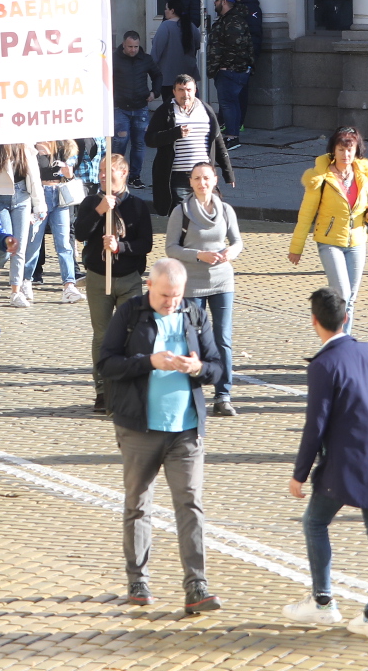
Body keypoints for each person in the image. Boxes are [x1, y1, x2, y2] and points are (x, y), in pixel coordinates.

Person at [97, 257, 224, 615]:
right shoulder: (130, 314)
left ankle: (197, 586)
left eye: (178, 296)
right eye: (166, 295)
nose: (172, 303)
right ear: (150, 286)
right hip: (139, 428)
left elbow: (219, 367)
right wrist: (148, 362)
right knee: (138, 504)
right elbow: (105, 364)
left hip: (185, 430)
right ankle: (138, 579)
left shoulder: (194, 315)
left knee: (191, 505)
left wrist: (199, 368)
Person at [283, 287, 368, 640]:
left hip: (344, 464)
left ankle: (322, 603)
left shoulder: (323, 365)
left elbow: (315, 425)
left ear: (314, 321)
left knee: (315, 522)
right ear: (346, 317)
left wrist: (299, 474)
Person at [163, 162, 245, 416]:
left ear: (215, 180)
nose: (202, 183)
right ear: (190, 182)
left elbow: (238, 241)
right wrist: (199, 255)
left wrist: (232, 251)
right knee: (193, 340)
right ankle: (191, 394)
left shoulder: (226, 210)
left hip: (222, 281)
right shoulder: (182, 212)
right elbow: (171, 248)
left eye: (206, 178)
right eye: (197, 178)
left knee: (223, 339)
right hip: (192, 285)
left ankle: (223, 395)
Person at [76, 153, 153, 414]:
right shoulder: (91, 202)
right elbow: (80, 233)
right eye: (100, 172)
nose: (102, 176)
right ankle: (102, 391)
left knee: (131, 335)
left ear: (123, 173)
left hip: (129, 279)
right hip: (99, 279)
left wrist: (120, 246)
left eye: (109, 172)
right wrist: (99, 212)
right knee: (102, 335)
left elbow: (146, 244)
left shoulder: (138, 206)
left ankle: (127, 389)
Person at [289, 126, 368, 315]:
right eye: (341, 150)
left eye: (349, 150)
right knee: (342, 294)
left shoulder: (362, 175)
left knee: (351, 298)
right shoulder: (320, 178)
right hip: (330, 242)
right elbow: (306, 214)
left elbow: (367, 208)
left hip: (357, 242)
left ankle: (342, 342)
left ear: (356, 150)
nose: (345, 155)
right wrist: (296, 248)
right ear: (333, 150)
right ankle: (334, 337)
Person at [143, 74, 234, 215]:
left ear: (195, 90)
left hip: (204, 175)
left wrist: (228, 173)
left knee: (212, 213)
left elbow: (218, 141)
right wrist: (175, 133)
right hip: (178, 176)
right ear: (174, 91)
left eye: (189, 90)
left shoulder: (206, 110)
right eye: (181, 90)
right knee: (183, 216)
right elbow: (150, 139)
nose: (185, 94)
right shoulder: (165, 111)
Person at [0, 142, 44, 309]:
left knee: (19, 246)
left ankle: (15, 292)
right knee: (5, 244)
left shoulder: (24, 144)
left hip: (22, 197)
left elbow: (34, 176)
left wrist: (39, 205)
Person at [31, 139, 85, 304]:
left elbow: (70, 174)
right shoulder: (32, 146)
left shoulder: (63, 147)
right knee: (34, 241)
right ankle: (25, 280)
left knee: (63, 242)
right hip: (39, 195)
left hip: (59, 195)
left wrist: (68, 173)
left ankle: (69, 285)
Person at [206, 0, 256, 146]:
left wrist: (223, 66)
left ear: (224, 2)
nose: (214, 3)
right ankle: (232, 135)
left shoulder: (232, 21)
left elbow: (233, 47)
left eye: (217, 1)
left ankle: (232, 137)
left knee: (228, 104)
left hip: (231, 71)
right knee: (232, 104)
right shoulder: (231, 20)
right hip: (235, 70)